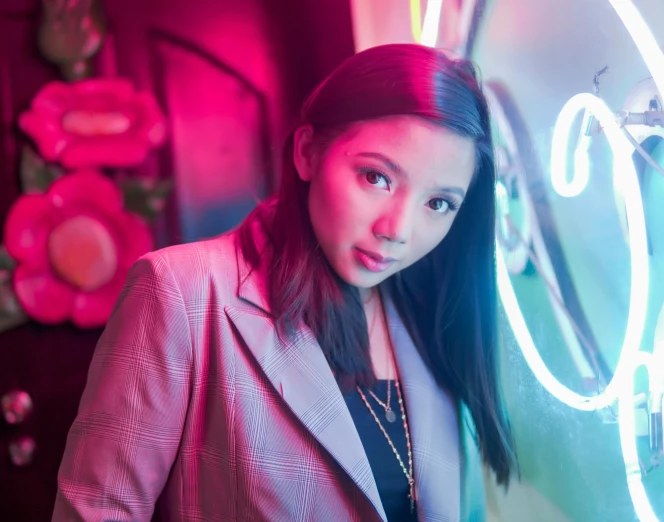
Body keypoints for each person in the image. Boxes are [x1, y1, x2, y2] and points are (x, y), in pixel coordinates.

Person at [52, 43, 517, 522]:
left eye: (438, 203)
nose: (397, 229)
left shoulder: (432, 317)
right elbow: (100, 511)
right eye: (376, 177)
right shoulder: (180, 290)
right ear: (308, 153)